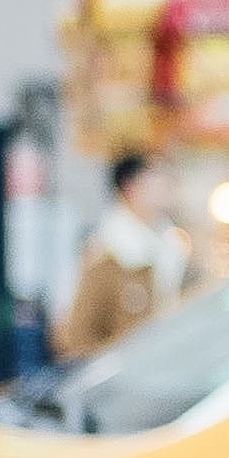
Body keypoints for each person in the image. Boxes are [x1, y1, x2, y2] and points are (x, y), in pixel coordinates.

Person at [54, 152, 190, 362]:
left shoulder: (172, 244)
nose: (165, 183)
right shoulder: (108, 253)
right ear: (130, 187)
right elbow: (78, 337)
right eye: (155, 175)